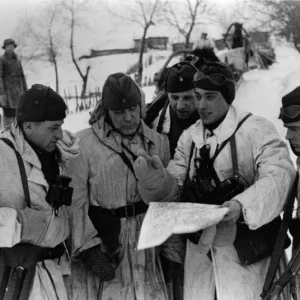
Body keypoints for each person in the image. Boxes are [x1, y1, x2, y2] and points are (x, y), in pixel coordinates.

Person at [133, 61, 296, 300]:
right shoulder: (190, 139)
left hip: (247, 259)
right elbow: (175, 186)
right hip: (202, 258)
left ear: (227, 96)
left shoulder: (255, 129)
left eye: (210, 97)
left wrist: (241, 205)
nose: (201, 105)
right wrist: (156, 180)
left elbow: (280, 176)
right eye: (198, 96)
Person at [65, 73, 172, 300]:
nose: (128, 117)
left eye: (133, 109)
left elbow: (168, 203)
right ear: (106, 112)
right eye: (119, 112)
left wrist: (172, 252)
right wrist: (88, 249)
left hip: (148, 241)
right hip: (107, 242)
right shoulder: (84, 145)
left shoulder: (158, 143)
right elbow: (75, 203)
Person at [0, 84, 79, 299]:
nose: (60, 134)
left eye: (61, 126)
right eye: (53, 128)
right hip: (19, 277)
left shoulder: (60, 153)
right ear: (28, 127)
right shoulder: (2, 156)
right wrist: (19, 225)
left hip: (56, 271)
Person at [0, 38, 27, 129]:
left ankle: (18, 138)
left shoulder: (17, 59)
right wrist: (1, 94)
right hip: (7, 95)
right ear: (5, 48)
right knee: (8, 119)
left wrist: (25, 90)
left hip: (19, 93)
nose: (10, 48)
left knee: (19, 118)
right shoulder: (2, 60)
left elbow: (22, 75)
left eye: (12, 46)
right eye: (8, 46)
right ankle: (7, 139)